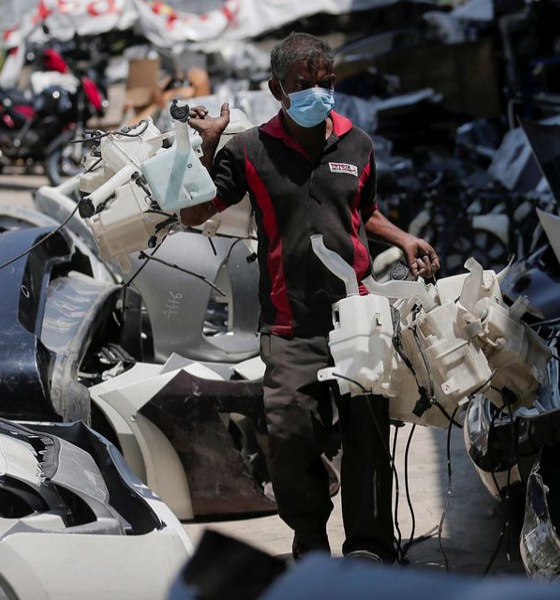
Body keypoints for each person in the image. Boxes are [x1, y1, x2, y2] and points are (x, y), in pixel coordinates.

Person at [181, 32, 440, 562]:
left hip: (358, 320)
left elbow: (362, 212)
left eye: (327, 83)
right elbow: (194, 214)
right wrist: (209, 147)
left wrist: (404, 238)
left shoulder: (357, 143)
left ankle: (369, 550)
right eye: (305, 85)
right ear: (278, 89)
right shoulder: (249, 150)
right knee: (290, 434)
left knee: (369, 443)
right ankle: (310, 543)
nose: (319, 93)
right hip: (288, 324)